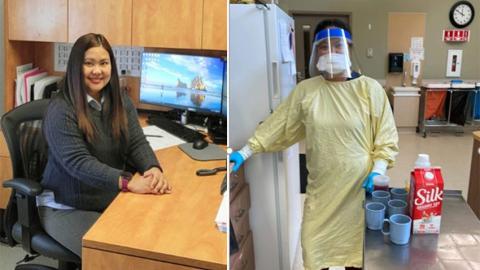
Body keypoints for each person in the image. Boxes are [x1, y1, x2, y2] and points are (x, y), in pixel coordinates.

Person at [229, 19, 398, 270]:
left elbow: (386, 138)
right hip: (321, 192)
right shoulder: (307, 91)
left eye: (338, 46)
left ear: (349, 49)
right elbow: (279, 124)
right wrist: (245, 151)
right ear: (315, 52)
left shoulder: (370, 89)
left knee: (356, 256)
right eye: (323, 47)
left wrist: (378, 170)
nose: (330, 52)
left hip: (358, 191)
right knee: (314, 249)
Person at [37, 33, 171, 258]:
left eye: (103, 63)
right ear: (75, 67)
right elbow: (79, 164)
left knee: (155, 234)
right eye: (88, 63)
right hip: (66, 206)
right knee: (118, 256)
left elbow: (135, 141)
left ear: (112, 65)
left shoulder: (118, 98)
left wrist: (152, 168)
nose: (97, 71)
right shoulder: (61, 109)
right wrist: (128, 182)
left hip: (107, 197)